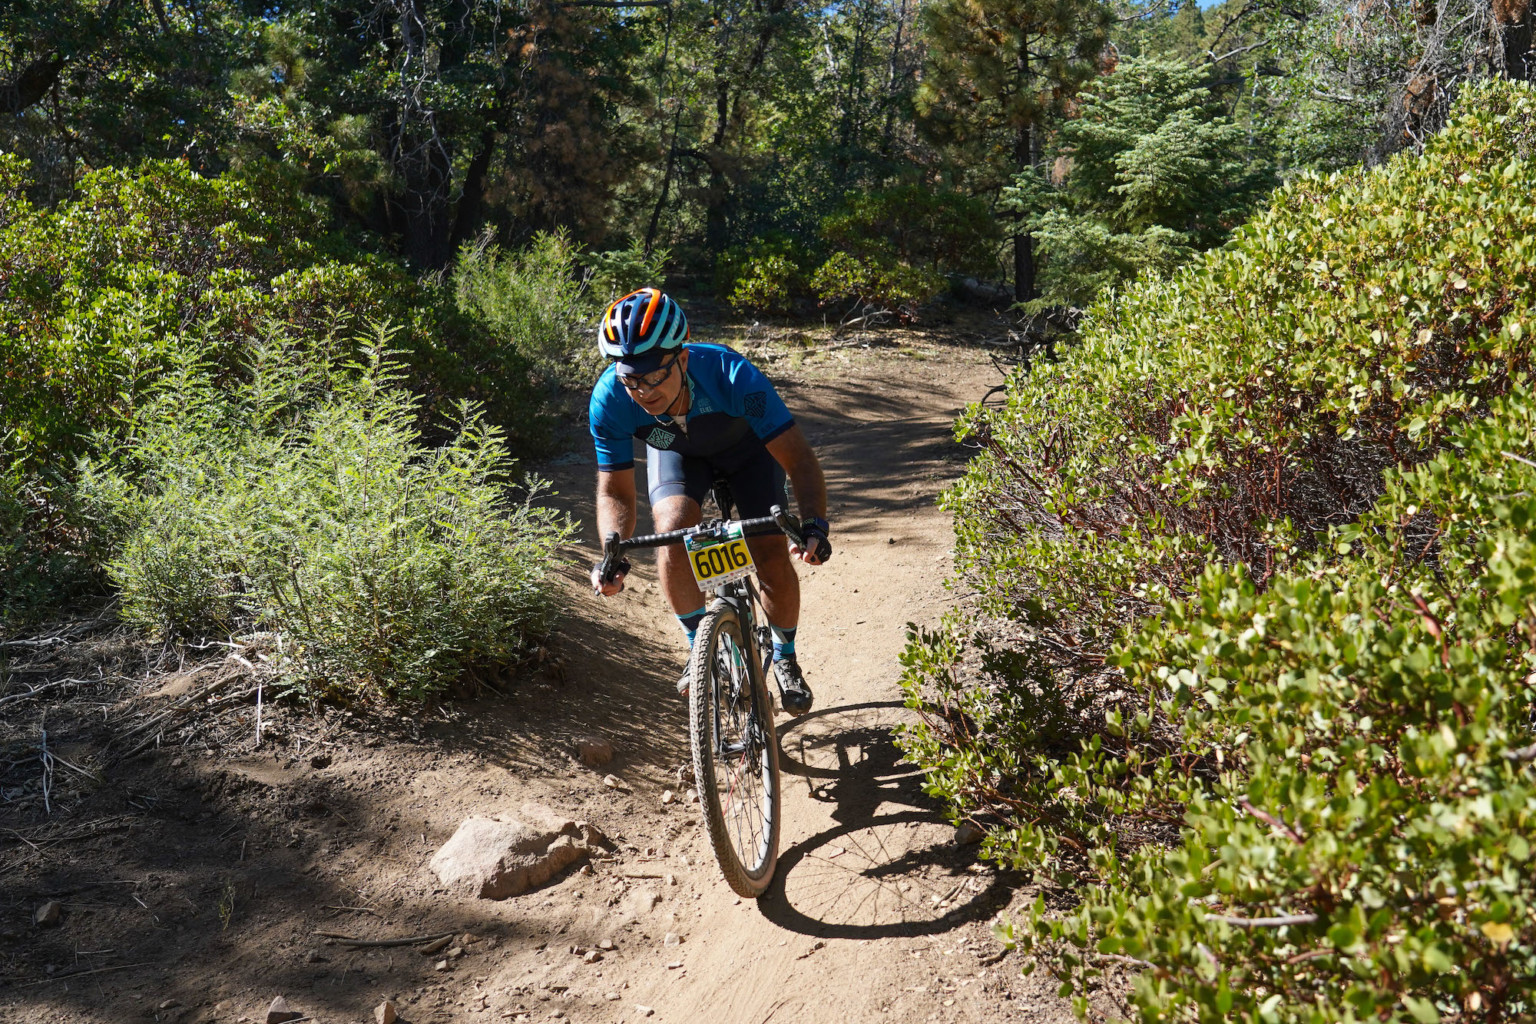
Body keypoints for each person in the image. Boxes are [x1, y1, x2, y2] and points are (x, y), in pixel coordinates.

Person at [587, 287, 831, 715]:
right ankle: (701, 648)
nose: (642, 391)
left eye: (653, 376)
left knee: (769, 549)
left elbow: (798, 459)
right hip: (678, 454)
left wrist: (813, 524)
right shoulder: (611, 399)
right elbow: (615, 491)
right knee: (672, 533)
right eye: (631, 378)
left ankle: (785, 655)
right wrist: (613, 551)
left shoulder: (731, 374)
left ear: (681, 359)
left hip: (749, 453)